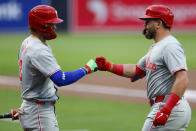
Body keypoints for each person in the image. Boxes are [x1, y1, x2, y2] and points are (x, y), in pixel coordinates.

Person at [95, 5, 191, 131]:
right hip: (171, 108)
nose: (144, 25)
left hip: (168, 107)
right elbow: (137, 70)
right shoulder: (158, 47)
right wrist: (109, 66)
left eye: (148, 22)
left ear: (158, 23)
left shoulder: (170, 46)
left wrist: (166, 110)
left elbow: (182, 79)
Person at [18, 5, 97, 131]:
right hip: (39, 112)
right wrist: (87, 68)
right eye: (51, 24)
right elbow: (61, 79)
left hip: (32, 108)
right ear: (41, 25)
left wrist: (28, 108)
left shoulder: (28, 42)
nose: (54, 27)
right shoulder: (38, 49)